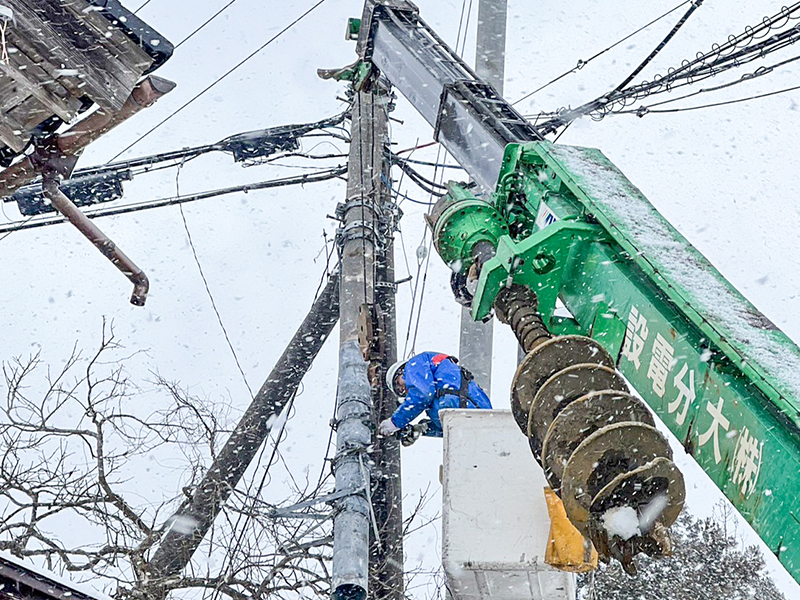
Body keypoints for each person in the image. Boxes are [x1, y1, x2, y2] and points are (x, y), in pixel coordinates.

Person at [378, 352, 492, 445]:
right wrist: (421, 428)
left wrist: (395, 422)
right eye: (400, 392)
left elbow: (422, 395)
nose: (403, 390)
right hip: (475, 418)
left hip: (465, 409)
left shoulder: (413, 365)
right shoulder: (436, 398)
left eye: (399, 384)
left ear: (401, 371)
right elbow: (446, 430)